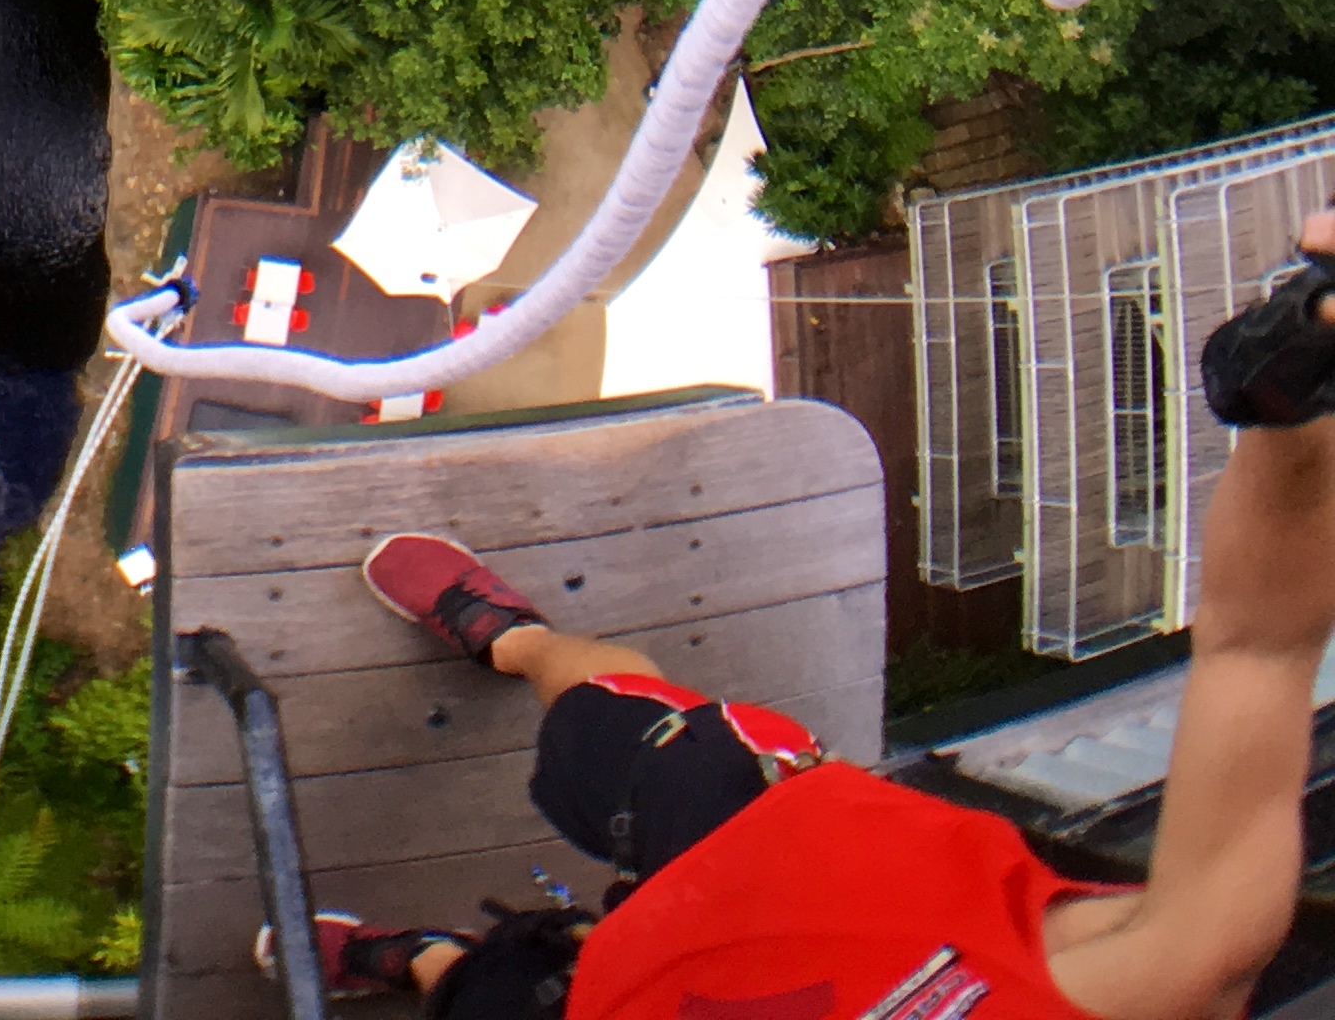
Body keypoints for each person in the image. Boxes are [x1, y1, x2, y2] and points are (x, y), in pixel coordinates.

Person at [292, 215, 1335, 1020]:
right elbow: (1258, 649)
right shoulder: (1167, 974)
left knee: (482, 995)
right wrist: (1294, 387)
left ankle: (417, 957)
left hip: (616, 997)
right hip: (764, 843)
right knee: (602, 716)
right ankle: (512, 637)